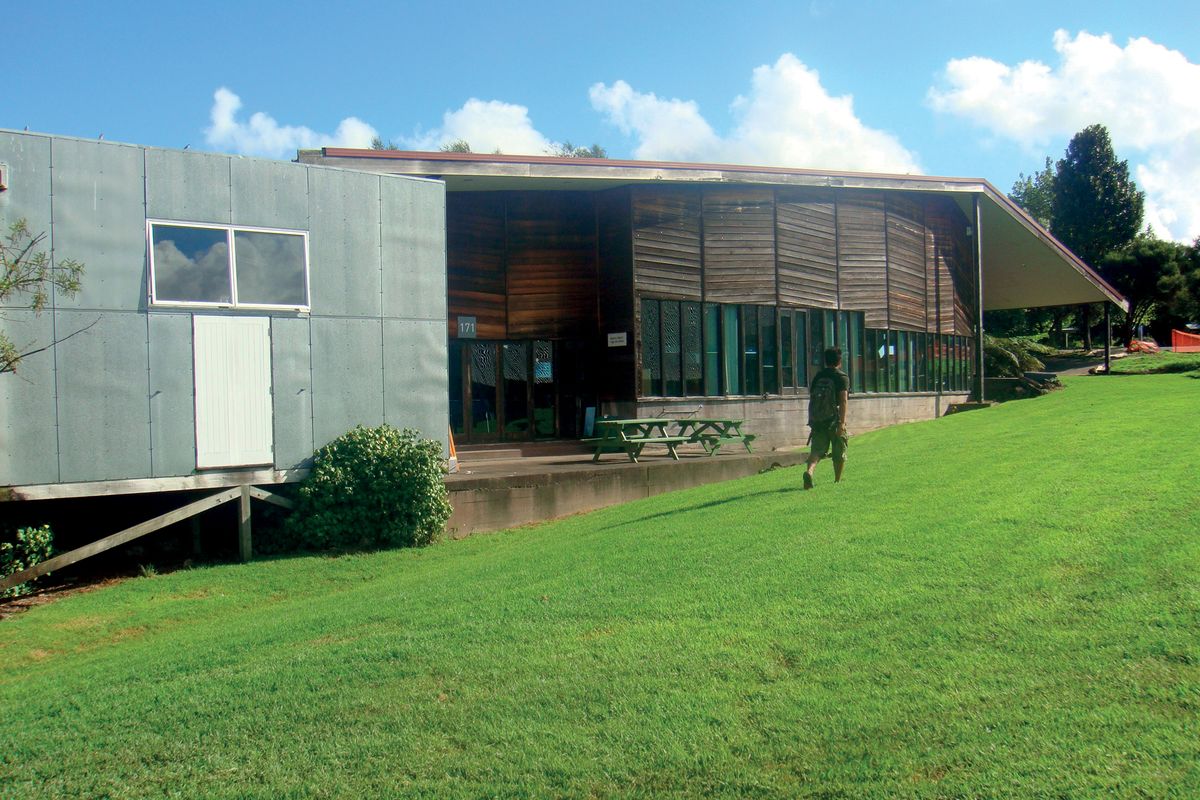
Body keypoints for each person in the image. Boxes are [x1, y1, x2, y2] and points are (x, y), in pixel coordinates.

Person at [803, 346, 849, 490]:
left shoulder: (818, 376)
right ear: (839, 360)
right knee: (839, 450)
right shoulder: (841, 377)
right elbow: (843, 401)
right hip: (833, 420)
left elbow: (813, 398)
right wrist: (842, 423)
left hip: (818, 420)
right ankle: (837, 480)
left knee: (816, 451)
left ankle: (809, 472)